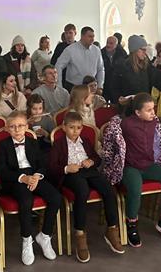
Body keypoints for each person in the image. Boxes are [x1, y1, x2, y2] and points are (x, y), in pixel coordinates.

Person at [49, 111, 124, 262]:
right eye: (71, 127)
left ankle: (112, 229)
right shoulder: (59, 144)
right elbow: (51, 166)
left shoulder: (86, 141)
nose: (75, 131)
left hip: (89, 171)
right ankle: (80, 234)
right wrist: (66, 168)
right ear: (64, 127)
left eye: (78, 128)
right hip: (72, 174)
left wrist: (91, 161)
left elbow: (96, 158)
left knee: (109, 190)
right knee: (82, 191)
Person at [0, 110, 61, 265]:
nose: (17, 129)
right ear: (7, 128)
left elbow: (42, 164)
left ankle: (44, 236)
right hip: (15, 180)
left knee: (56, 198)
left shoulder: (33, 142)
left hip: (34, 176)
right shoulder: (3, 145)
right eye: (13, 126)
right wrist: (22, 178)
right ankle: (27, 239)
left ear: (27, 127)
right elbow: (3, 171)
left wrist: (36, 177)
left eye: (20, 126)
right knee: (26, 200)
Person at [116, 93, 161, 247]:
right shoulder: (126, 124)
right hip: (131, 166)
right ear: (138, 112)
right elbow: (113, 133)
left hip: (149, 165)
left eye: (153, 109)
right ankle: (131, 224)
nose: (153, 113)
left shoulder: (154, 122)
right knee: (135, 188)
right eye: (149, 110)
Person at [55, 26, 104, 93]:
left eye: (93, 36)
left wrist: (100, 86)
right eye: (90, 36)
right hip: (73, 87)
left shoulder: (96, 50)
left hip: (91, 87)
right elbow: (58, 66)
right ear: (82, 36)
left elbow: (100, 69)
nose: (92, 39)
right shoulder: (70, 49)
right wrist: (59, 86)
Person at [111, 35, 153, 103]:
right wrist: (119, 99)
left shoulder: (146, 64)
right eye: (143, 50)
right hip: (128, 104)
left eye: (145, 50)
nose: (145, 52)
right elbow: (115, 87)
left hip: (144, 103)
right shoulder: (122, 66)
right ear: (135, 50)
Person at [101, 36, 127, 102]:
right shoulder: (101, 53)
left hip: (117, 86)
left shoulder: (122, 54)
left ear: (116, 45)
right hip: (105, 85)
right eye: (107, 42)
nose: (108, 45)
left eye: (111, 43)